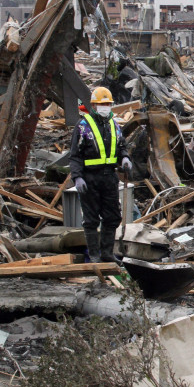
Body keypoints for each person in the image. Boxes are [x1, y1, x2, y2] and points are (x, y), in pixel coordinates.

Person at [69, 87, 132, 263]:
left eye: (108, 104)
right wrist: (77, 177)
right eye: (102, 104)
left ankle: (107, 253)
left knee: (112, 217)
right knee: (91, 219)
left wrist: (125, 158)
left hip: (109, 178)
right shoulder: (83, 127)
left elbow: (121, 147)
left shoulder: (114, 125)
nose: (106, 107)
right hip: (90, 178)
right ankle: (94, 255)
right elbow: (75, 155)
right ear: (94, 105)